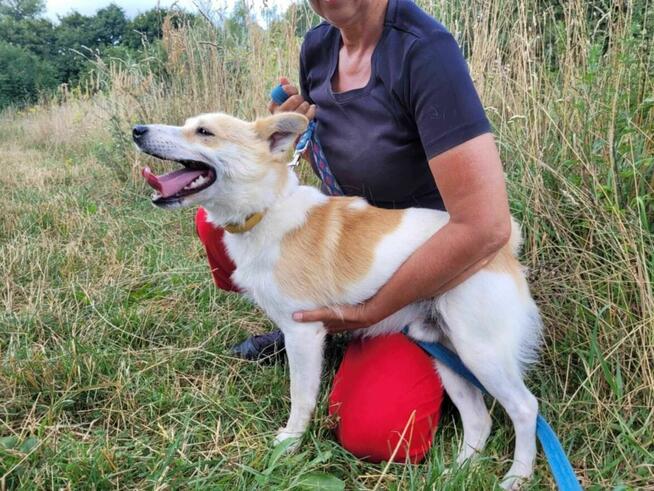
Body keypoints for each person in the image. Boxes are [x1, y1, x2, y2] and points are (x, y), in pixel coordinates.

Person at [195, 0, 511, 462]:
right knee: (217, 217)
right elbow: (328, 153)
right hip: (353, 235)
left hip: (422, 265)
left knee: (376, 433)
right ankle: (296, 319)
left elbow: (485, 227)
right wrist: (278, 139)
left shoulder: (425, 52)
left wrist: (371, 310)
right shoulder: (318, 46)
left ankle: (409, 340)